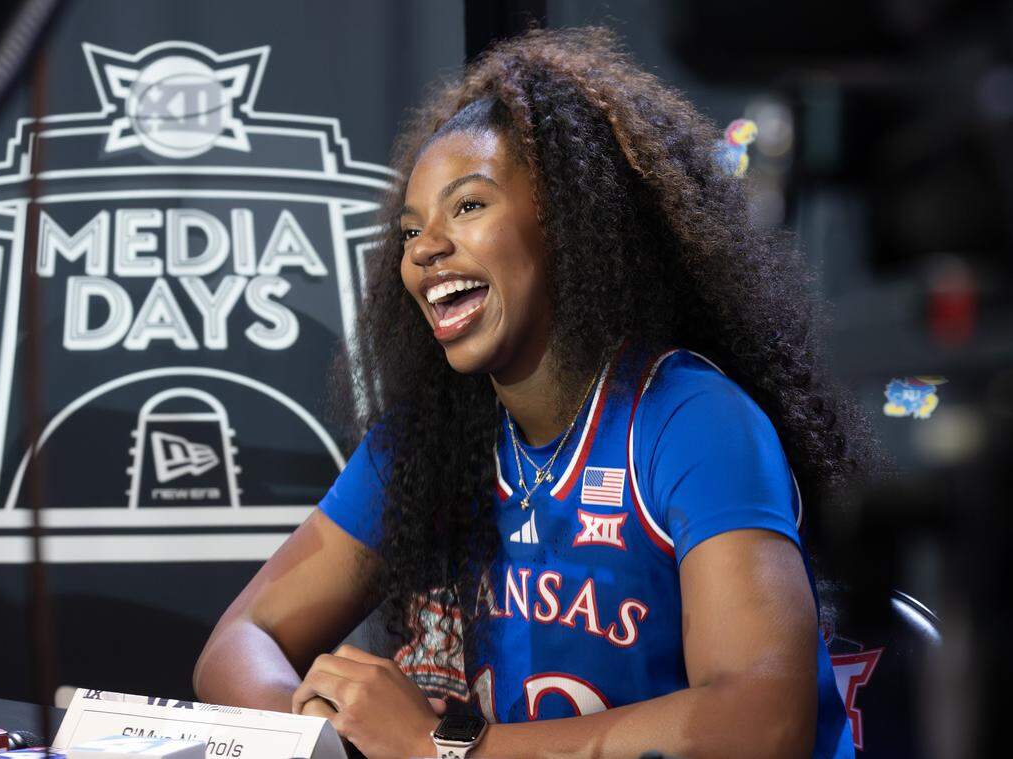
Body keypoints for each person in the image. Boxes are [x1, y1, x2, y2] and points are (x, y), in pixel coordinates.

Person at [194, 27, 876, 759]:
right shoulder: (427, 444)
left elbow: (760, 723)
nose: (424, 248)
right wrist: (329, 736)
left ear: (567, 223)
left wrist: (442, 746)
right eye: (410, 229)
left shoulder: (688, 418)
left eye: (467, 207)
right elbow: (237, 642)